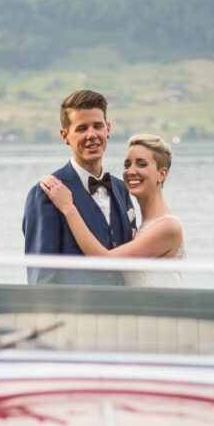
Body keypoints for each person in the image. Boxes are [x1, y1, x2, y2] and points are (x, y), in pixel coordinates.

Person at [23, 89, 137, 285]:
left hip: (120, 310)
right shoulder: (45, 193)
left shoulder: (121, 189)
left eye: (97, 126)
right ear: (65, 135)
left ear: (108, 129)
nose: (91, 135)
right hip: (74, 313)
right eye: (82, 128)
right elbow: (41, 278)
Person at [40, 133, 184, 287]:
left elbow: (105, 261)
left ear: (161, 174)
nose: (131, 171)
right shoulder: (140, 230)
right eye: (127, 164)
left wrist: (68, 208)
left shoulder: (168, 227)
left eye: (141, 164)